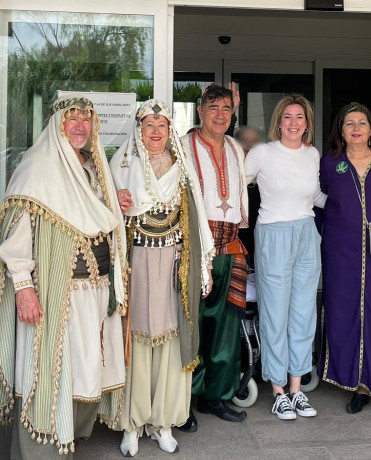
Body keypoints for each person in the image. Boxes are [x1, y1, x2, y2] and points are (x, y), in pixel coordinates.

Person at [0, 95, 128, 459]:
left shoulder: (92, 168)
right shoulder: (36, 169)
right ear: (56, 126)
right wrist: (24, 289)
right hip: (54, 294)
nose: (79, 125)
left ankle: (70, 438)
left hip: (94, 291)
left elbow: (95, 216)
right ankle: (41, 451)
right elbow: (16, 239)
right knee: (47, 373)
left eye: (86, 119)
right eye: (71, 118)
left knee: (86, 371)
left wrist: (113, 199)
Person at [110, 100, 215, 455]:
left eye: (162, 125)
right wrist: (115, 201)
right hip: (136, 262)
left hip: (173, 265)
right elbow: (102, 207)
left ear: (170, 130)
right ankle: (132, 423)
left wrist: (199, 267)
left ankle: (163, 422)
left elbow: (196, 219)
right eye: (149, 125)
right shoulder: (122, 167)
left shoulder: (181, 169)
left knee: (171, 341)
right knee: (136, 339)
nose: (156, 132)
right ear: (138, 130)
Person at [245, 95, 325, 420]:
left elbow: (316, 195)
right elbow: (238, 184)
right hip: (273, 234)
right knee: (274, 313)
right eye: (288, 117)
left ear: (307, 123)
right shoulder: (263, 153)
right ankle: (278, 390)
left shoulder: (312, 154)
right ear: (279, 121)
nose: (294, 123)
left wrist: (350, 203)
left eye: (300, 118)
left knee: (304, 313)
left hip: (307, 232)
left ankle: (297, 389)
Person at [318, 102, 371, 416]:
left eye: (362, 123)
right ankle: (358, 386)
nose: (355, 128)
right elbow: (317, 205)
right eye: (349, 123)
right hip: (340, 252)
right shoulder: (330, 163)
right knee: (344, 314)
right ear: (341, 130)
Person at [181, 84, 250, 423]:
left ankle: (217, 396)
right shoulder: (181, 146)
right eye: (213, 108)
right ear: (200, 111)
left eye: (226, 108)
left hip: (232, 246)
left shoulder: (237, 147)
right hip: (196, 247)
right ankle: (186, 403)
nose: (220, 114)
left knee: (225, 327)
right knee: (191, 325)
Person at [235, 125, 264, 268]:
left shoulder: (266, 176)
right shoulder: (230, 177)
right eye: (245, 141)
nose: (250, 146)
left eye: (255, 141)